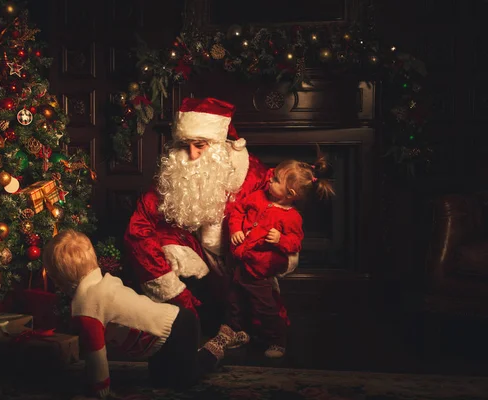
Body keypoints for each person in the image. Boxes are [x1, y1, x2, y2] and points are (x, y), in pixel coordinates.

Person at [124, 97, 272, 335]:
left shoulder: (251, 174)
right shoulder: (173, 175)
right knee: (172, 253)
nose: (191, 155)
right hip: (198, 278)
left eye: (200, 145)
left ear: (220, 144)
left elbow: (277, 219)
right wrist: (173, 290)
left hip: (239, 267)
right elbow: (139, 228)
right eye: (185, 145)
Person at [43, 229, 227, 398]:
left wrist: (100, 391)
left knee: (185, 379)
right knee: (159, 378)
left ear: (57, 279)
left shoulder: (86, 307)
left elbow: (96, 356)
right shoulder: (105, 282)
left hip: (178, 328)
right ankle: (183, 360)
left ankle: (211, 353)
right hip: (163, 333)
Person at [217, 150, 336, 359]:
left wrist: (280, 239)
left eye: (275, 179)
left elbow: (295, 243)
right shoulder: (259, 197)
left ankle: (277, 340)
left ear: (290, 193)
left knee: (265, 308)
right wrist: (235, 229)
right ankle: (237, 331)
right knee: (234, 300)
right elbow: (238, 211)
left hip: (259, 270)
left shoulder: (291, 218)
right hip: (239, 263)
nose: (268, 179)